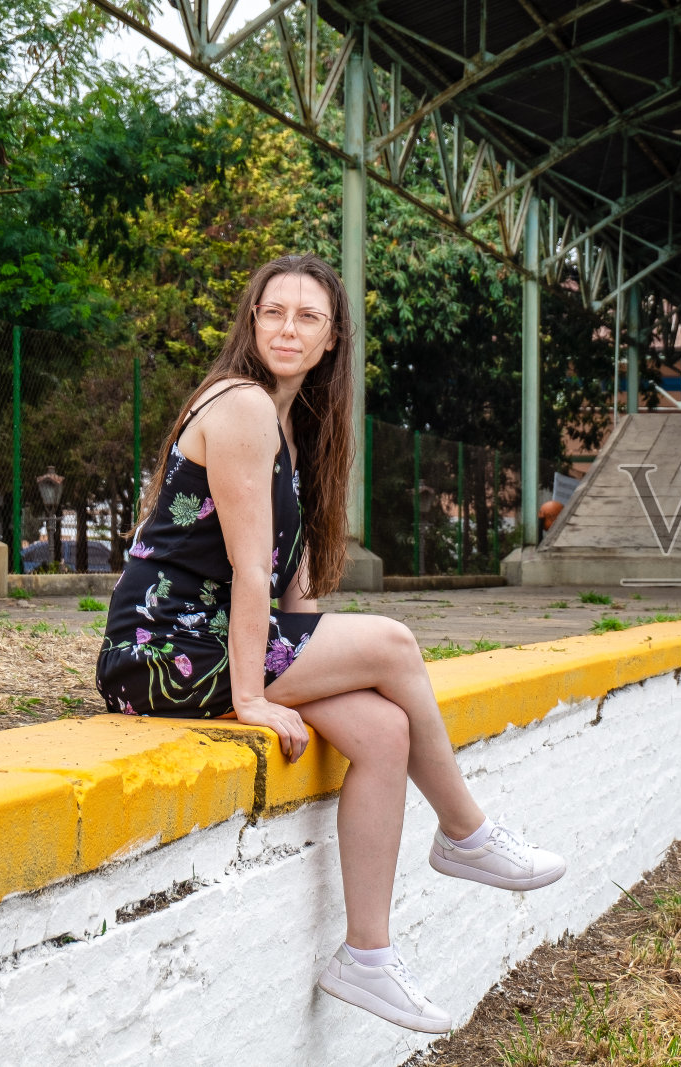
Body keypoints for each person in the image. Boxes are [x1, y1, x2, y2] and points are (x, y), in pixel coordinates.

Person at [95, 253, 564, 1034]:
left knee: (385, 730)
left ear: (331, 340)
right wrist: (251, 696)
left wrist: (309, 674)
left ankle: (368, 957)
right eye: (273, 312)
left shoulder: (290, 423)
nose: (288, 328)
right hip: (160, 651)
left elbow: (293, 593)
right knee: (394, 642)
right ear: (252, 323)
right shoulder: (241, 404)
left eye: (307, 317)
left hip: (216, 641)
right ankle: (465, 832)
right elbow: (247, 568)